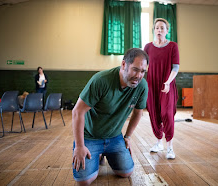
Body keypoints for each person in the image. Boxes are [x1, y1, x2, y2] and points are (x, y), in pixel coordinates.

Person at [72, 48, 149, 185]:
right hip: (90, 136)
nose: (139, 75)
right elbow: (77, 112)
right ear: (124, 64)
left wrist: (128, 136)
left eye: (143, 71)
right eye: (135, 69)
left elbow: (138, 112)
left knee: (126, 173)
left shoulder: (142, 86)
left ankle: (105, 153)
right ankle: (98, 154)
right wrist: (79, 146)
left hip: (114, 137)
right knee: (84, 181)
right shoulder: (101, 80)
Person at [144, 18, 180, 159]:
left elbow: (175, 67)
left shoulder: (172, 46)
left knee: (166, 113)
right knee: (154, 114)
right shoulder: (147, 47)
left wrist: (168, 82)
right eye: (157, 28)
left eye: (162, 28)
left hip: (167, 85)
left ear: (167, 31)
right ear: (154, 30)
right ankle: (159, 142)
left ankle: (170, 147)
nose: (159, 30)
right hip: (151, 84)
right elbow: (143, 66)